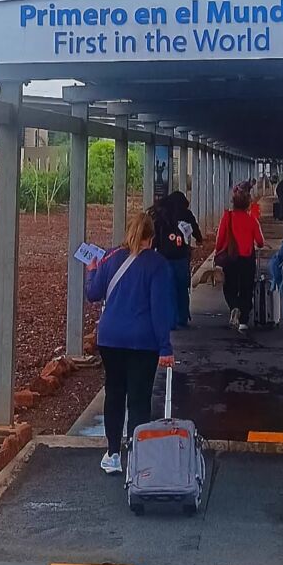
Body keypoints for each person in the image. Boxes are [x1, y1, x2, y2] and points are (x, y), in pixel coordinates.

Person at [85, 212, 176, 475]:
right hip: (143, 341)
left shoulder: (111, 257)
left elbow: (93, 294)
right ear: (152, 236)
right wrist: (165, 347)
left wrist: (92, 272)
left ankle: (113, 454)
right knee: (138, 399)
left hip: (111, 338)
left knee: (114, 393)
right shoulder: (158, 265)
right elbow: (160, 309)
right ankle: (136, 456)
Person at [215, 185, 265, 334]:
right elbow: (260, 241)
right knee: (246, 288)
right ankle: (243, 321)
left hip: (230, 258)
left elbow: (220, 238)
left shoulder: (227, 217)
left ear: (233, 202)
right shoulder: (252, 219)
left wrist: (218, 252)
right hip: (247, 258)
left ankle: (234, 307)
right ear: (248, 204)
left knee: (229, 286)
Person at [151, 190, 202, 330]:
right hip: (181, 258)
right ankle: (182, 317)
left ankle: (170, 319)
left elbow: (155, 237)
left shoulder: (161, 215)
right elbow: (195, 229)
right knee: (182, 288)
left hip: (164, 259)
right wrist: (199, 239)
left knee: (168, 289)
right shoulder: (186, 214)